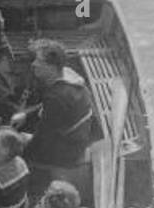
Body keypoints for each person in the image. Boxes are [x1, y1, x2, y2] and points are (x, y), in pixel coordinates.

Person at [11, 38, 101, 197]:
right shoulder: (69, 77)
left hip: (66, 152)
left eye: (39, 62)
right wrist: (26, 114)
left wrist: (22, 149)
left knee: (12, 146)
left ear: (52, 68)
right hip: (75, 137)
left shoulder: (57, 97)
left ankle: (26, 188)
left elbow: (43, 137)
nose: (33, 65)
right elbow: (46, 107)